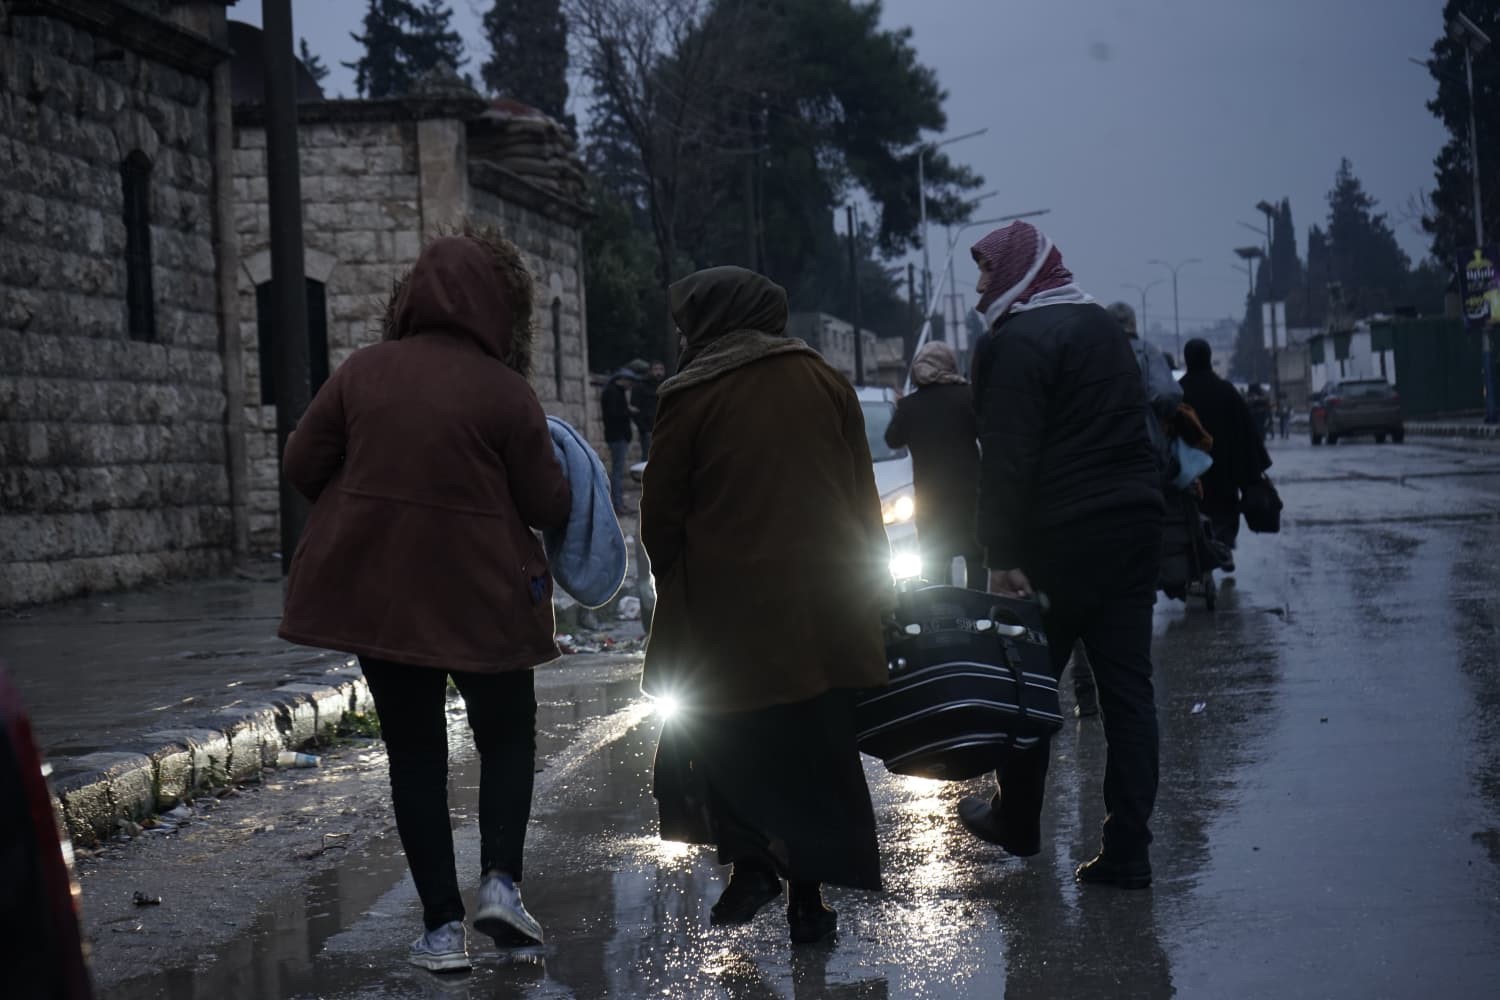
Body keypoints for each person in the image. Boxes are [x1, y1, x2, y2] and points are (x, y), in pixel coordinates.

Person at [278, 233, 571, 971]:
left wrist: (368, 499)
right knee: (506, 735)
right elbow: (546, 500)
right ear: (495, 310)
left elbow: (301, 463)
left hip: (385, 599)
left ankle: (442, 931)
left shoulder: (362, 373)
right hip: (486, 598)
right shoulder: (505, 391)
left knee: (414, 753)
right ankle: (501, 885)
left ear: (409, 297)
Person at [642, 265, 890, 945]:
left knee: (732, 743)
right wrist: (873, 588)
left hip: (732, 619)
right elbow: (861, 494)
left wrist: (681, 587)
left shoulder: (690, 394)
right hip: (827, 610)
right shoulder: (824, 380)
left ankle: (752, 863)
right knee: (812, 757)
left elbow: (660, 514)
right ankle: (809, 905)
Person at [957, 221, 1165, 890]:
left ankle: (1018, 823)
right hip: (1133, 532)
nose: (982, 284)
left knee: (1027, 690)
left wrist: (1001, 553)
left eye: (989, 270)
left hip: (1057, 543)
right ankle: (1128, 848)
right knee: (1129, 693)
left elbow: (1006, 459)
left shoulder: (1014, 343)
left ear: (1023, 269)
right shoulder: (1104, 327)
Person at [883, 341, 983, 589]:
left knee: (936, 565)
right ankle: (979, 616)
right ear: (949, 364)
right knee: (975, 558)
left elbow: (892, 440)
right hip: (969, 496)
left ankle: (941, 617)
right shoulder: (968, 396)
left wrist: (901, 409)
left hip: (931, 500)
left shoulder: (910, 405)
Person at [1178, 339, 1272, 567]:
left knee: (1191, 513)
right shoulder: (1226, 390)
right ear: (1209, 358)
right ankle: (1224, 548)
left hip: (1190, 471)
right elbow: (1246, 430)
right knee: (1224, 514)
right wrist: (1253, 467)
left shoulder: (1178, 392)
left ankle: (1201, 557)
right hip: (1224, 470)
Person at [601, 367, 638, 514]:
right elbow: (613, 414)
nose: (630, 385)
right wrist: (628, 411)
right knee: (617, 472)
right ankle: (617, 505)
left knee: (617, 471)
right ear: (622, 379)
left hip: (618, 436)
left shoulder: (616, 391)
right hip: (616, 436)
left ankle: (619, 503)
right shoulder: (612, 392)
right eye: (630, 382)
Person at [632, 360, 665, 460]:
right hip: (648, 429)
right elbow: (634, 409)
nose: (658, 372)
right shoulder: (640, 386)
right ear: (650, 371)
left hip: (663, 428)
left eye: (661, 369)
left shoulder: (666, 385)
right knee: (648, 458)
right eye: (656, 369)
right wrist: (644, 428)